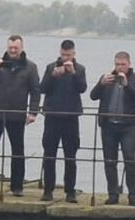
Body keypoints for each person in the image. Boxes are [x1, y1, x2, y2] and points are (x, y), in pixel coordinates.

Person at [0, 35, 41, 197]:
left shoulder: (31, 67)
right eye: (10, 48)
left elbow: (35, 91)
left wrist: (33, 112)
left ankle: (17, 187)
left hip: (17, 114)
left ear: (21, 48)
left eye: (16, 48)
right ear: (7, 47)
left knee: (18, 151)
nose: (13, 51)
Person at [89, 51, 135, 206]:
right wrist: (101, 83)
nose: (120, 68)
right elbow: (93, 96)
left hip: (127, 126)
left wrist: (127, 85)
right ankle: (113, 194)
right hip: (108, 125)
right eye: (117, 64)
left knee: (129, 159)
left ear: (129, 64)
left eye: (123, 64)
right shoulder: (108, 78)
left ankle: (133, 195)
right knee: (109, 161)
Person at [39, 39, 87, 203]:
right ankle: (48, 190)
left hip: (71, 117)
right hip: (52, 116)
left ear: (74, 54)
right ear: (59, 53)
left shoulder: (80, 69)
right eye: (63, 54)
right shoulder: (51, 67)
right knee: (49, 154)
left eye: (68, 55)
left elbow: (82, 88)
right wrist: (53, 76)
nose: (65, 58)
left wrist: (73, 73)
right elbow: (42, 88)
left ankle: (70, 191)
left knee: (70, 156)